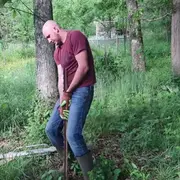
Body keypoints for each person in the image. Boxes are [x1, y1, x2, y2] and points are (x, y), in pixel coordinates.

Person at [42, 20, 96, 180]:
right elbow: (61, 78)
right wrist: (62, 99)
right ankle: (70, 161)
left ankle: (90, 175)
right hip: (68, 92)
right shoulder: (57, 51)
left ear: (56, 28)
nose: (48, 40)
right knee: (51, 129)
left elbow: (84, 67)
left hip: (82, 90)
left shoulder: (75, 37)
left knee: (73, 134)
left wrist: (68, 92)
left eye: (48, 36)